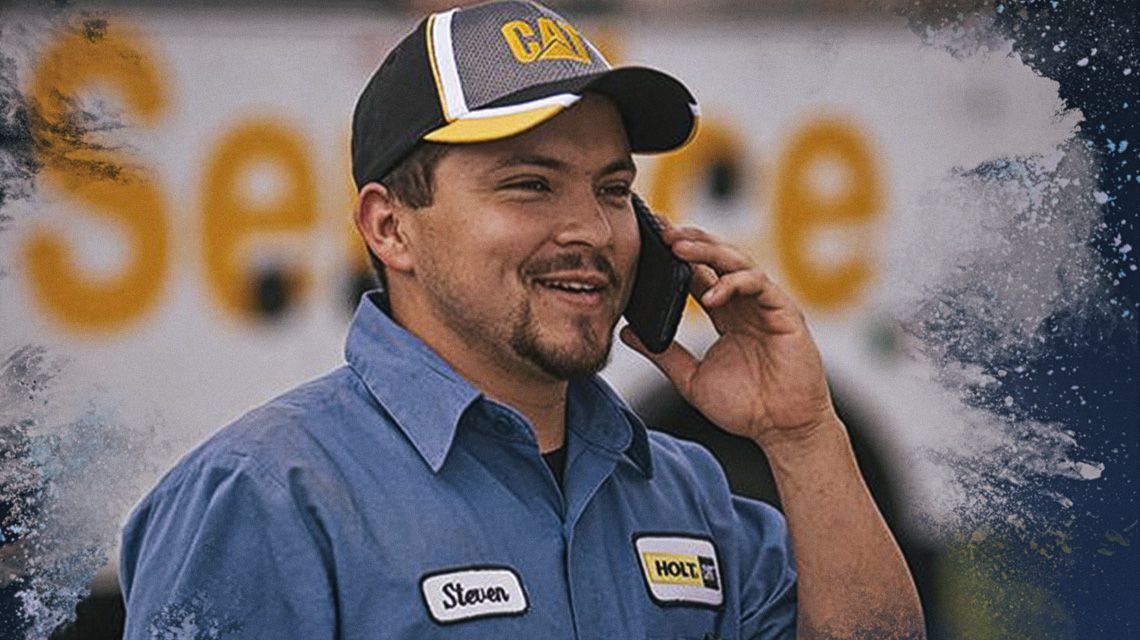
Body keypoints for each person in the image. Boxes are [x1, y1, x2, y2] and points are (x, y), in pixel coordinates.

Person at [119, 1, 924, 638]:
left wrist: (804, 435)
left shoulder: (689, 494)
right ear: (389, 226)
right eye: (529, 185)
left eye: (612, 189)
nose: (591, 230)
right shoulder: (263, 494)